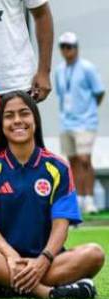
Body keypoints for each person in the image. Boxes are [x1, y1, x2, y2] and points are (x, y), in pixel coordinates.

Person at [0, 91, 104, 299]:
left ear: (35, 120)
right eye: (9, 116)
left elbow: (61, 226)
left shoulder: (57, 167)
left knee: (94, 254)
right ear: (1, 125)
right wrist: (11, 255)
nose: (17, 121)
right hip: (2, 258)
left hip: (46, 261)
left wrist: (43, 260)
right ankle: (45, 291)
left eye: (24, 113)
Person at [52, 32, 104, 215]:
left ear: (77, 48)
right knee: (72, 161)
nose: (67, 51)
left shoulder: (87, 68)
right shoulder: (59, 71)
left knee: (84, 160)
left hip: (85, 121)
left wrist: (89, 111)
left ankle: (89, 199)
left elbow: (99, 92)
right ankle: (78, 199)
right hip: (66, 121)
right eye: (64, 47)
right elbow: (60, 94)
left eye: (70, 47)